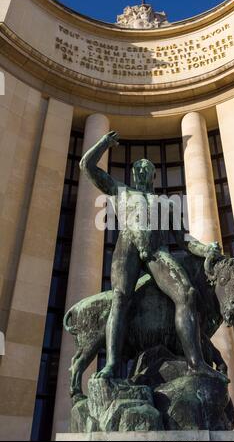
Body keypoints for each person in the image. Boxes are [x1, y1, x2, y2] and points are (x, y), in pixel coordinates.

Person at [80, 131, 224, 380]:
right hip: (128, 248)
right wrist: (103, 143)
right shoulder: (120, 191)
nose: (141, 170)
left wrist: (206, 248)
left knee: (187, 294)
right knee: (120, 298)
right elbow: (87, 166)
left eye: (146, 167)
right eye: (137, 167)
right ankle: (112, 365)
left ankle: (195, 363)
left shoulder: (166, 204)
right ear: (133, 174)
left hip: (156, 253)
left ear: (154, 175)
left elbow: (185, 240)